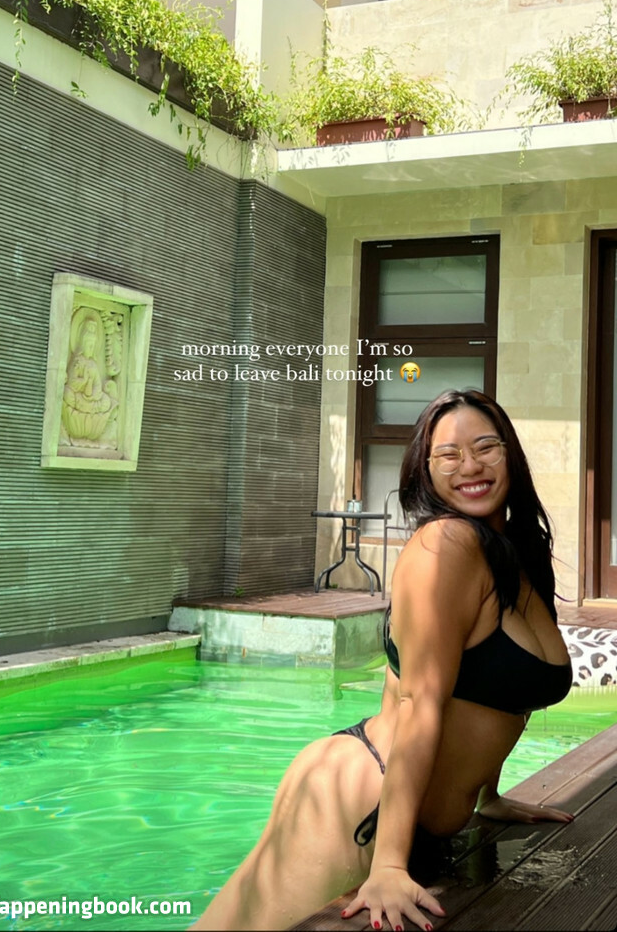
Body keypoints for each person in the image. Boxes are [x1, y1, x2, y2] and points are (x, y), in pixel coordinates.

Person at [194, 389, 573, 932]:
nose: (471, 466)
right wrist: (390, 864)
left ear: (510, 453)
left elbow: (502, 691)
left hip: (411, 817)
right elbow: (421, 700)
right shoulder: (445, 546)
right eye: (449, 455)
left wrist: (487, 793)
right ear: (425, 471)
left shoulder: (516, 554)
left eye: (486, 447)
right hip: (358, 798)